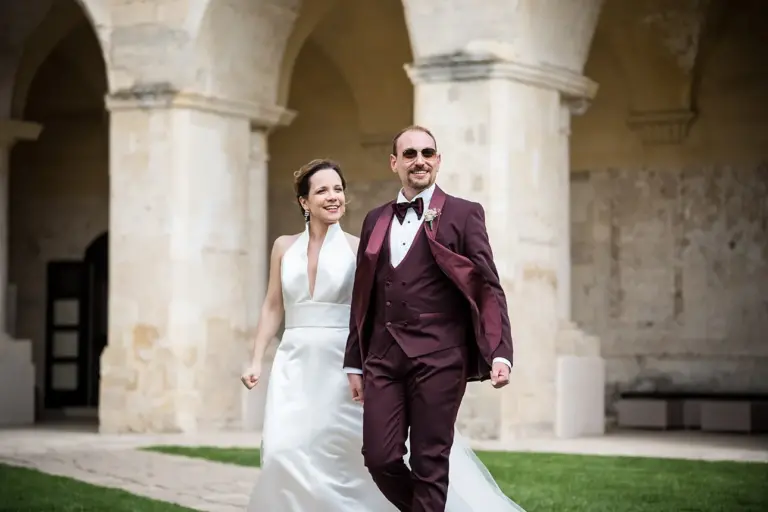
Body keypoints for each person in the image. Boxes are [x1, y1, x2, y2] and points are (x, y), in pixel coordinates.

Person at [242, 156, 524, 512]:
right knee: (284, 451)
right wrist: (255, 359)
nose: (334, 197)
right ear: (304, 201)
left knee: (350, 455)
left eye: (339, 189)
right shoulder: (283, 247)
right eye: (323, 190)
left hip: (343, 362)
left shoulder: (362, 245)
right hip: (293, 361)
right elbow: (272, 305)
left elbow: (380, 304)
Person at [343, 125, 516, 511]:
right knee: (380, 457)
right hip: (383, 359)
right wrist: (354, 360)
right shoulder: (375, 219)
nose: (419, 160)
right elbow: (363, 295)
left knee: (429, 462)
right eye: (409, 154)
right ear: (394, 163)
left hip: (440, 359)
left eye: (427, 153)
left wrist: (500, 351)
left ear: (437, 160)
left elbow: (488, 286)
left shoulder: (463, 214)